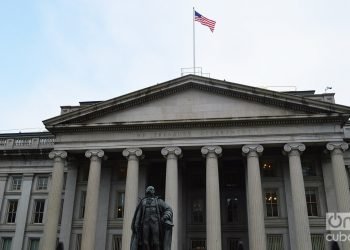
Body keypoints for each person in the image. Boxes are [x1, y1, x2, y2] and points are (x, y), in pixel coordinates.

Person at [131, 186, 173, 250]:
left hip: (155, 223)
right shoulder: (143, 202)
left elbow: (168, 209)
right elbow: (138, 215)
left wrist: (165, 217)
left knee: (156, 242)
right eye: (150, 189)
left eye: (152, 189)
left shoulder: (159, 201)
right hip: (145, 224)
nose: (151, 190)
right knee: (145, 242)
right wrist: (136, 225)